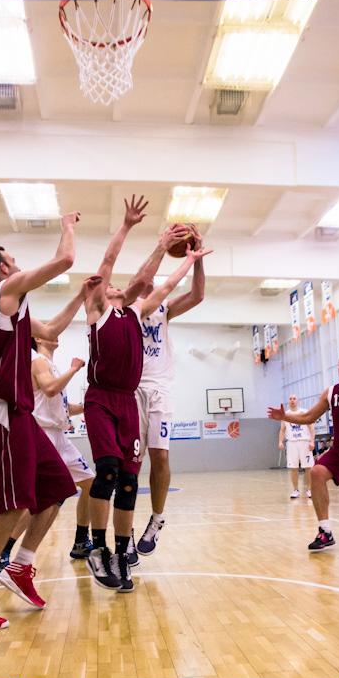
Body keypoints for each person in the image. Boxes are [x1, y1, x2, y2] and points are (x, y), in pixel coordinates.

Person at [0, 212, 98, 630]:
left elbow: (51, 328)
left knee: (57, 487)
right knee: (12, 502)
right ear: (3, 268)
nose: (18, 264)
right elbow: (65, 260)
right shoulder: (4, 291)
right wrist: (68, 226)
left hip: (23, 414)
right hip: (3, 409)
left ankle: (21, 566)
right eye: (13, 260)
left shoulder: (15, 307)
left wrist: (81, 296)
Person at [84, 197, 206, 592]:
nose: (119, 286)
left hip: (141, 394)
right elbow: (120, 268)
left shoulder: (142, 311)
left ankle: (129, 546)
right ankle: (98, 547)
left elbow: (166, 285)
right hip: (112, 394)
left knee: (133, 476)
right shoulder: (102, 308)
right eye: (113, 285)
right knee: (108, 470)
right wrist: (131, 229)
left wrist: (192, 259)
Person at [129, 225, 211, 563]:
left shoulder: (164, 309)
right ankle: (125, 531)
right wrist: (163, 248)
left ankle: (156, 519)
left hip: (160, 388)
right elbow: (147, 279)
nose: (150, 279)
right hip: (133, 389)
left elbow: (198, 295)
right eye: (146, 276)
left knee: (160, 457)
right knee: (132, 462)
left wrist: (197, 260)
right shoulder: (127, 306)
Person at [0, 334, 95, 573]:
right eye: (48, 330)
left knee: (91, 483)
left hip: (60, 436)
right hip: (43, 434)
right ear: (38, 338)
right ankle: (3, 551)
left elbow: (63, 406)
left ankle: (81, 541)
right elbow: (50, 389)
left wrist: (90, 406)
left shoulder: (51, 366)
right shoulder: (37, 361)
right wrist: (73, 369)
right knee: (41, 500)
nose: (56, 333)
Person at [268, 352, 339, 551]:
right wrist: (285, 416)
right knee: (317, 473)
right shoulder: (331, 392)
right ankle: (325, 532)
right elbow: (309, 417)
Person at [278, 394, 314, 500]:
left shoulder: (304, 412)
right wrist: (280, 441)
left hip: (304, 442)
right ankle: (295, 490)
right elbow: (282, 430)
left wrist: (312, 441)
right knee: (293, 468)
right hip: (292, 443)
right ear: (288, 401)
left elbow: (311, 428)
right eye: (290, 399)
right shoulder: (285, 415)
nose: (292, 400)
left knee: (308, 467)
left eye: (294, 398)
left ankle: (309, 490)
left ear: (298, 400)